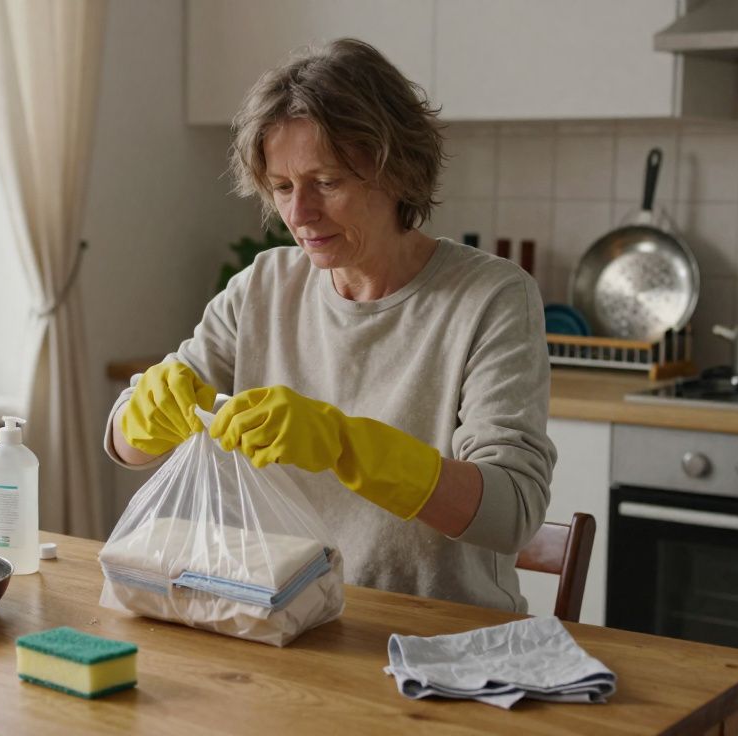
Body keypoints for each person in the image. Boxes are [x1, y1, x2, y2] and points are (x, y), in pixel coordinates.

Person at [104, 38, 556, 613]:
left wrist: (345, 445)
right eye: (284, 187)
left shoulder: (492, 297)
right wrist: (142, 416)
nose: (299, 215)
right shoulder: (262, 286)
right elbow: (123, 444)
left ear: (398, 171)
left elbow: (510, 512)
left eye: (328, 182)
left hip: (441, 639)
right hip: (284, 622)